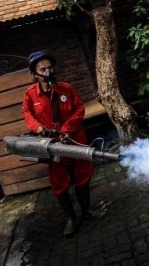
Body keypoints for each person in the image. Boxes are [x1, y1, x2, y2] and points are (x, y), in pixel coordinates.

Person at [22, 51, 105, 237]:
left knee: (83, 174)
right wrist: (38, 127)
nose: (48, 71)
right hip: (51, 144)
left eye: (50, 67)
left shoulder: (66, 88)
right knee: (59, 181)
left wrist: (68, 128)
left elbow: (79, 108)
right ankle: (71, 218)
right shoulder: (30, 95)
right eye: (43, 69)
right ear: (35, 74)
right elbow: (27, 114)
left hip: (74, 139)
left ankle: (87, 210)